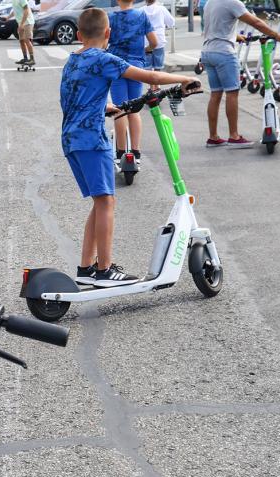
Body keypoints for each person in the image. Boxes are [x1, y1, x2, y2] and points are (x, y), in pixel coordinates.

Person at [61, 8, 199, 286]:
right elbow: (151, 78)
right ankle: (105, 269)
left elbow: (75, 94)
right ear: (108, 33)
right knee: (106, 202)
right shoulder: (103, 58)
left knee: (100, 201)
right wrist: (185, 80)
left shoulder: (73, 59)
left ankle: (87, 268)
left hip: (72, 138)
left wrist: (105, 107)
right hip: (92, 140)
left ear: (78, 35)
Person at [200, 0, 280, 148]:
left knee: (215, 95)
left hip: (208, 52)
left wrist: (235, 37)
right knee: (232, 93)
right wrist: (276, 35)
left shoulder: (210, 2)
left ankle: (213, 137)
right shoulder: (233, 2)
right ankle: (234, 136)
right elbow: (256, 23)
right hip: (224, 53)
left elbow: (215, 27)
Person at [108, 0, 155, 168]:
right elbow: (154, 42)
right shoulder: (142, 16)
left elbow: (104, 41)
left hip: (116, 66)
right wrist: (143, 51)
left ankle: (121, 152)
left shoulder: (111, 18)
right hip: (136, 66)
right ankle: (136, 152)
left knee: (120, 109)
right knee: (134, 109)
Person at [143, 0, 174, 78]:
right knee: (158, 67)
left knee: (148, 67)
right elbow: (171, 22)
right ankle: (157, 87)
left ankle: (151, 87)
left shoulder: (141, 10)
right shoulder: (161, 9)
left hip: (146, 42)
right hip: (159, 40)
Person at [11, 0, 34, 65]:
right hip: (21, 23)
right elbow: (15, 11)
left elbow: (26, 11)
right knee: (21, 40)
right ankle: (25, 58)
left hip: (28, 22)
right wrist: (7, 18)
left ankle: (32, 59)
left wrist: (22, 24)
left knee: (27, 39)